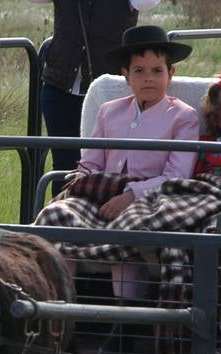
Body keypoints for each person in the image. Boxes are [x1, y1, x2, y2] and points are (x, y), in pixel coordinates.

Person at [14, 0, 163, 176]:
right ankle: (62, 216)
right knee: (64, 168)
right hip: (59, 89)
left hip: (110, 92)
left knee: (109, 167)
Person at [75, 24, 199, 301]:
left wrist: (131, 196)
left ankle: (124, 324)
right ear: (126, 76)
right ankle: (60, 311)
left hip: (151, 198)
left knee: (128, 225)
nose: (148, 79)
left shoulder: (183, 117)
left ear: (171, 74)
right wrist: (79, 183)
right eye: (139, 71)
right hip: (103, 194)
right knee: (56, 218)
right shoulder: (110, 111)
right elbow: (91, 163)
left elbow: (177, 175)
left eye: (157, 71)